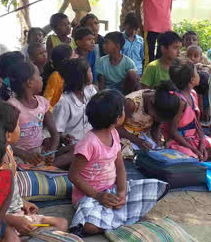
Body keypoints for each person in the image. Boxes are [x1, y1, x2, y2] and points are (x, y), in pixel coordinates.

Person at [68, 90, 168, 236]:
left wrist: (121, 193)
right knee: (88, 227)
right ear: (117, 119)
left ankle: (114, 217)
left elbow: (120, 168)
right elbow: (73, 175)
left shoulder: (114, 134)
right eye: (122, 110)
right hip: (89, 197)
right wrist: (98, 196)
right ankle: (121, 218)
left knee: (153, 186)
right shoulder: (89, 143)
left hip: (112, 190)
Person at [0, 101, 69, 239]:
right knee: (11, 238)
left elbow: (11, 191)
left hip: (17, 213)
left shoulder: (8, 150)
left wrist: (22, 202)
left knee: (61, 223)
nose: (20, 128)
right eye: (18, 125)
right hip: (0, 220)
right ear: (8, 135)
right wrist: (12, 220)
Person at [162, 61, 211, 164]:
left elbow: (197, 123)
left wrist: (201, 143)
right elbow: (173, 132)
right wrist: (194, 149)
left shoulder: (193, 94)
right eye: (196, 72)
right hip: (180, 142)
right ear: (192, 80)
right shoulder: (179, 101)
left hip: (195, 138)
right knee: (194, 161)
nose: (199, 74)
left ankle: (202, 156)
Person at [7, 61, 62, 167]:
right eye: (39, 76)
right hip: (17, 154)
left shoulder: (43, 103)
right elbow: (3, 141)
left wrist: (52, 152)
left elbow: (55, 133)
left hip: (38, 152)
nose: (42, 78)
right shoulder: (12, 106)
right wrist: (25, 154)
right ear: (29, 82)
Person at [53, 58, 98, 143]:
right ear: (82, 77)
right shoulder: (64, 102)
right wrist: (64, 138)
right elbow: (57, 131)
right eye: (90, 71)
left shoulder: (90, 90)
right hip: (74, 144)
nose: (92, 74)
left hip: (91, 139)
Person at [42, 44, 76, 108]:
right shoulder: (55, 76)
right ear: (66, 61)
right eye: (74, 56)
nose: (77, 57)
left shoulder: (70, 74)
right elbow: (47, 101)